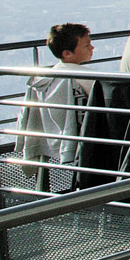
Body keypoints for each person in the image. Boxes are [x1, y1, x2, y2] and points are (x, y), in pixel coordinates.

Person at [19, 23, 94, 192]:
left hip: (52, 137)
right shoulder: (87, 78)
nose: (92, 47)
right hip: (87, 142)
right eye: (87, 45)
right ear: (67, 53)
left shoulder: (44, 79)